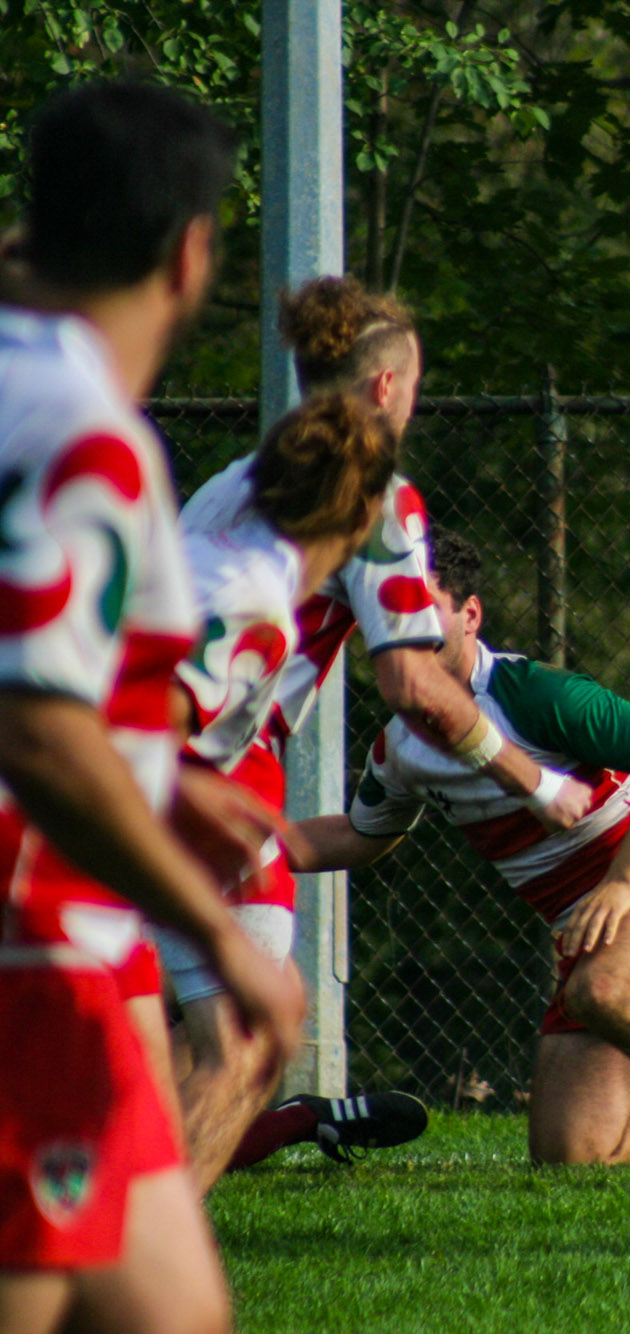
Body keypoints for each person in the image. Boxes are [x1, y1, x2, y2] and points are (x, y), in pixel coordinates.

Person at [0, 81, 303, 1334]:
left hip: (81, 957)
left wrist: (163, 780)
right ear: (190, 252)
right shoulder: (84, 436)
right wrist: (221, 937)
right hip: (31, 948)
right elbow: (34, 726)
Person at [282, 531, 630, 1171]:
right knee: (570, 1154)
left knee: (601, 988)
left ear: (470, 615)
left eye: (423, 608)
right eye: (391, 611)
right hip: (590, 929)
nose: (405, 629)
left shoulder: (531, 693)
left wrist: (621, 881)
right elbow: (361, 834)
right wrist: (238, 856)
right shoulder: (399, 748)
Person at [206, 277, 594, 1173]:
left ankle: (243, 1145)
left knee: (157, 1022)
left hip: (101, 742)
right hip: (215, 763)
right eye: (415, 385)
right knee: (248, 1033)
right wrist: (538, 781)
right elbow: (414, 682)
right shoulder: (378, 498)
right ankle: (128, 1232)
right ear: (387, 388)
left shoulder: (234, 481)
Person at [157, 393, 422, 1192]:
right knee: (242, 1040)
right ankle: (134, 1233)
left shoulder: (220, 527)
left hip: (108, 795)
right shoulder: (255, 606)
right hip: (93, 802)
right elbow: (130, 731)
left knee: (153, 1043)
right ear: (361, 521)